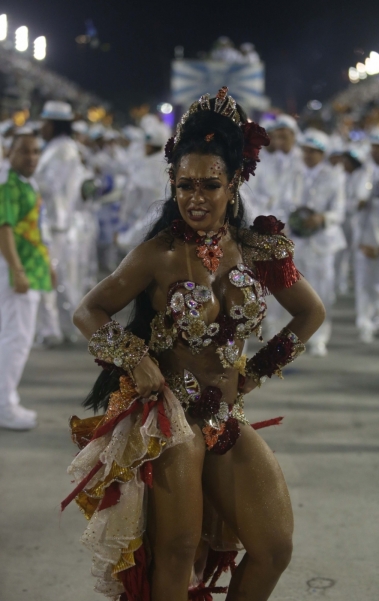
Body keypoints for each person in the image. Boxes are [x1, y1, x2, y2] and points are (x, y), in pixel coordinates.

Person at [62, 88, 325, 601]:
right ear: (172, 183)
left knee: (273, 548)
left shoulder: (257, 249)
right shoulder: (158, 254)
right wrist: (134, 358)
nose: (195, 197)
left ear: (235, 184)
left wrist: (257, 370)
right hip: (171, 421)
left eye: (210, 184)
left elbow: (310, 312)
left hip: (226, 418)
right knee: (177, 551)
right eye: (184, 185)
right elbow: (86, 311)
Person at [0, 132, 53, 430]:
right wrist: (17, 270)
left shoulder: (23, 183)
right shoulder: (8, 185)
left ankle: (6, 399)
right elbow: (3, 228)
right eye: (24, 152)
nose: (31, 157)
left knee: (11, 337)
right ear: (10, 153)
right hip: (17, 271)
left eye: (35, 151)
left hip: (29, 267)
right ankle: (4, 405)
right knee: (16, 340)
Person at [35, 101, 88, 343]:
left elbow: (52, 187)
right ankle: (62, 328)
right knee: (60, 278)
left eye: (45, 121)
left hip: (56, 223)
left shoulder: (62, 150)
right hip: (54, 223)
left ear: (54, 123)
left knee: (51, 276)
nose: (41, 126)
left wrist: (27, 182)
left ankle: (52, 330)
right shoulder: (57, 147)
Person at [291, 128, 346, 356]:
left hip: (322, 242)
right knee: (295, 292)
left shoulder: (334, 176)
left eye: (314, 151)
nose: (308, 155)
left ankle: (319, 338)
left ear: (322, 153)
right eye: (306, 150)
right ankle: (294, 338)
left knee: (323, 291)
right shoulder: (293, 174)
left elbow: (339, 211)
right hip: (296, 240)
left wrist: (322, 218)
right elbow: (284, 204)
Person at [353, 129, 379, 343]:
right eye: (374, 147)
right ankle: (365, 324)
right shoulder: (363, 174)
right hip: (366, 239)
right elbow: (353, 206)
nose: (375, 151)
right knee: (365, 284)